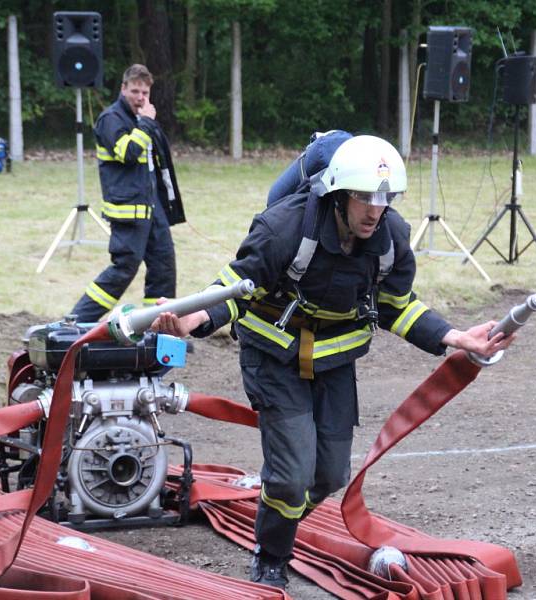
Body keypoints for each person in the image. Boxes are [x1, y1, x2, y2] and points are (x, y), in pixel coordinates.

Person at [152, 135, 515, 589]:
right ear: (338, 194)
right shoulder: (282, 228)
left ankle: (275, 518)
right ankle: (271, 554)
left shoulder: (391, 241)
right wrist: (194, 319)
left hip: (335, 364)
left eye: (385, 198)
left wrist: (458, 337)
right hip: (274, 357)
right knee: (291, 477)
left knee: (329, 474)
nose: (374, 210)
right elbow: (236, 289)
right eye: (365, 197)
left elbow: (396, 306)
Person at [70, 64, 185, 322]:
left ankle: (156, 328)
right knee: (123, 270)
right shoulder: (110, 119)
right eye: (135, 91)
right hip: (128, 213)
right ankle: (76, 321)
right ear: (123, 89)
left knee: (164, 270)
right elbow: (128, 153)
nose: (140, 98)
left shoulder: (139, 119)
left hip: (152, 211)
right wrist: (145, 124)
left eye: (145, 93)